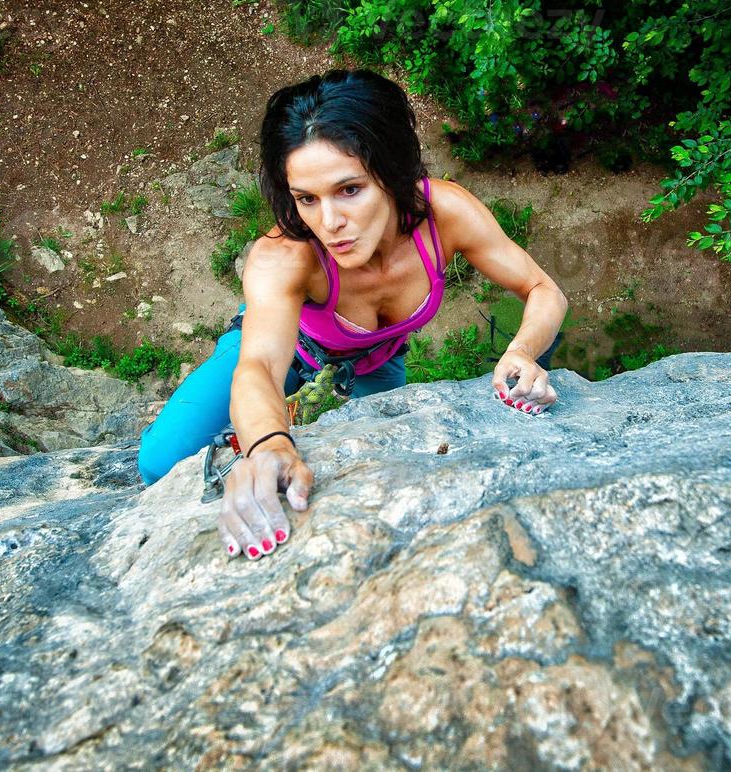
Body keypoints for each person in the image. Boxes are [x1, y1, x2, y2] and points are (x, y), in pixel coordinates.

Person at [135, 69, 568, 561]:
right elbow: (259, 366)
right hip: (288, 341)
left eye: (349, 189)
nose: (329, 223)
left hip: (376, 359)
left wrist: (522, 351)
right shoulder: (286, 257)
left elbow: (542, 289)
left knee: (399, 468)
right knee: (160, 462)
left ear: (391, 171)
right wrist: (269, 445)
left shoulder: (444, 214)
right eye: (306, 199)